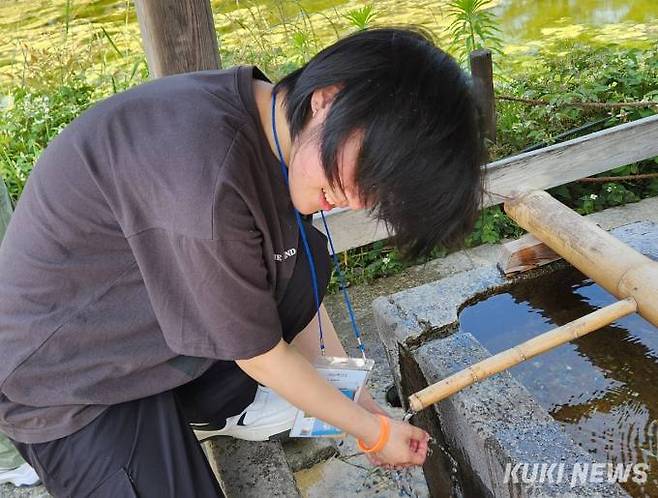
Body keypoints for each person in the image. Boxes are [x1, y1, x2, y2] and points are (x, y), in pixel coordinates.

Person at [0, 27, 484, 497]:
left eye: (380, 192)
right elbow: (260, 355)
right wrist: (371, 433)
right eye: (369, 171)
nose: (357, 201)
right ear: (328, 98)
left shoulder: (275, 128)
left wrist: (363, 408)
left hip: (153, 331)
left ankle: (215, 408)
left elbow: (300, 299)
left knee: (294, 278)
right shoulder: (208, 179)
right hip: (65, 379)